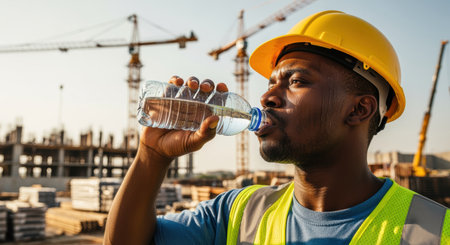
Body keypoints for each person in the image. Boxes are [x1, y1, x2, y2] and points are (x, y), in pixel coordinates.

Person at [104, 10, 449, 245]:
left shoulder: (435, 231)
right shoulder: (238, 214)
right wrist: (151, 157)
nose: (268, 96)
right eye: (270, 83)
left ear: (359, 109)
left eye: (296, 81)